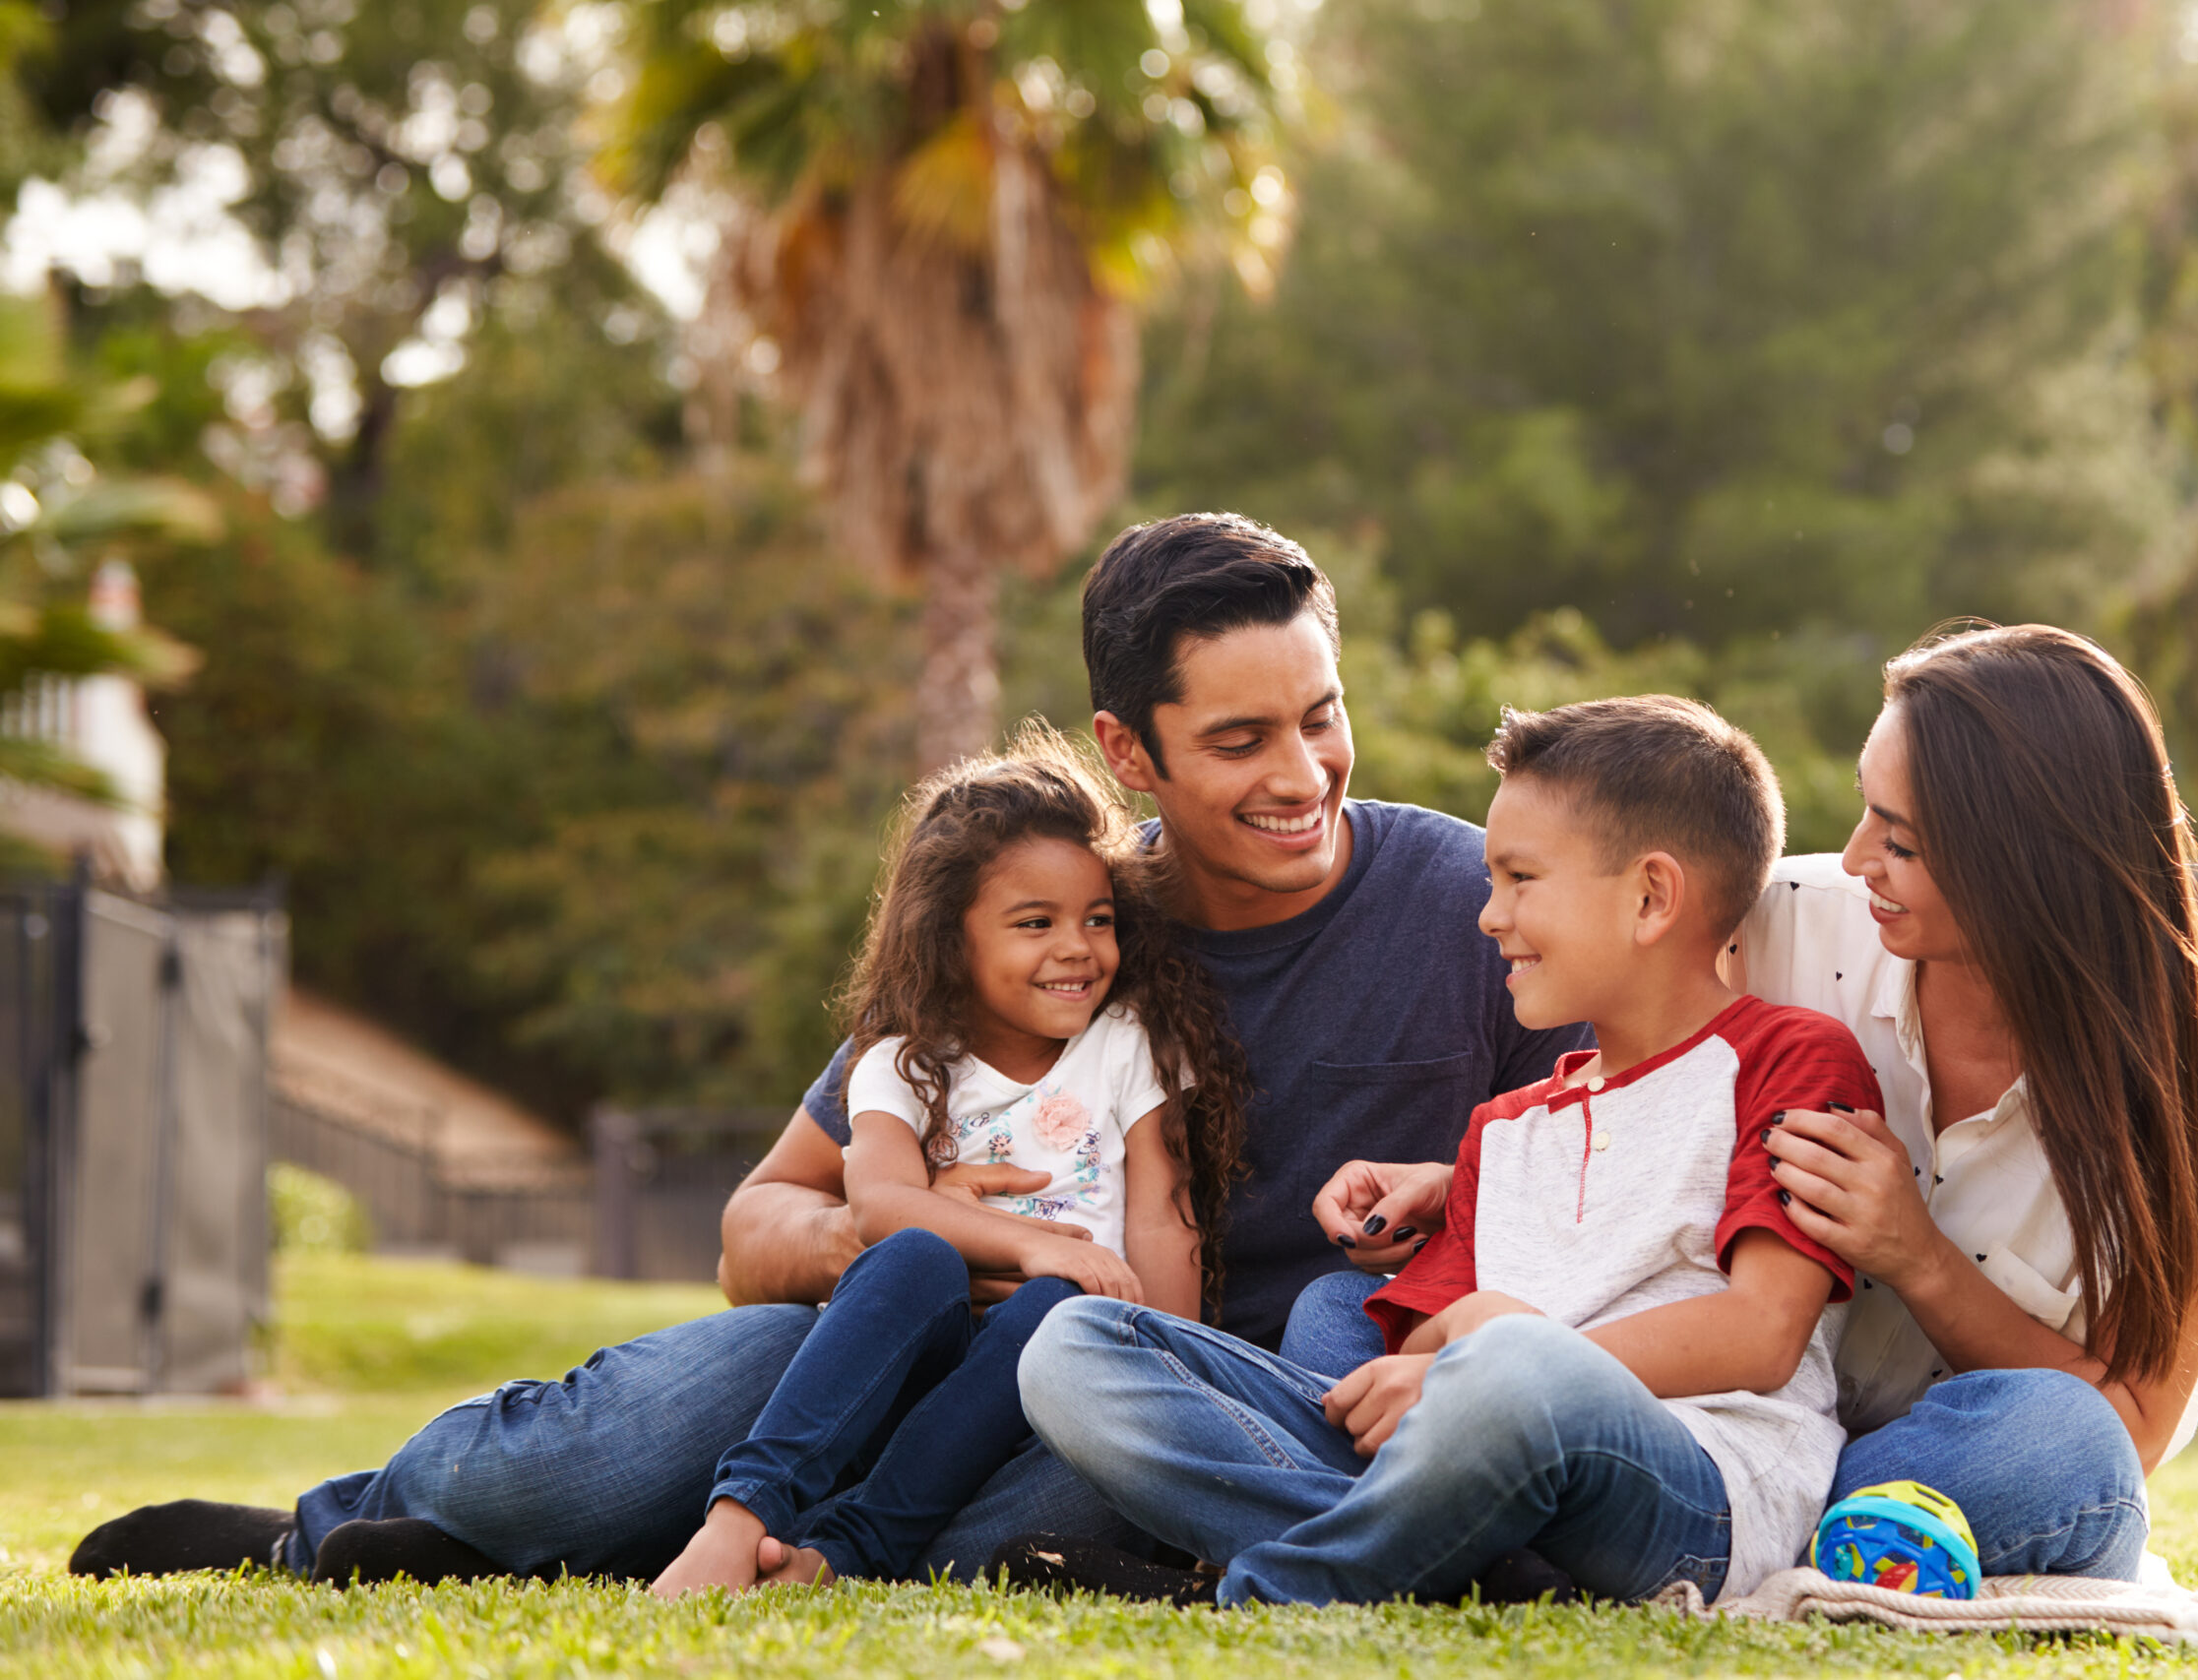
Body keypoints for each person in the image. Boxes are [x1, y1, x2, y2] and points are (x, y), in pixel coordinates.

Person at [71, 513, 1586, 1586]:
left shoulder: (1472, 903)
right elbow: (756, 1227)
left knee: (1029, 1510)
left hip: (1182, 1406)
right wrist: (969, 1243)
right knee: (615, 1436)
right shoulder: (1053, 919)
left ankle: (594, 1556)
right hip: (923, 1328)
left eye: (1323, 717)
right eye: (1241, 739)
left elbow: (1601, 1170)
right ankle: (353, 1521)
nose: (1305, 773)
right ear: (1132, 753)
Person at [1303, 624, 2198, 1584]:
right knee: (1346, 1317)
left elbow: (2133, 1427)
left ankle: (1582, 1526)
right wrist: (1475, 1185)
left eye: (1901, 841)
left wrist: (1918, 1259)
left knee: (2061, 1446)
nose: (1858, 856)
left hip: (1902, 1470)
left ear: (2024, 865)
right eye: (1868, 812)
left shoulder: (2184, 1099)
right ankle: (1588, 1518)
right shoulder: (1786, 919)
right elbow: (1630, 1091)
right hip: (1686, 1412)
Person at [1005, 695, 1885, 1607]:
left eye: (1519, 879)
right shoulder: (1503, 1127)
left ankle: (1269, 1587)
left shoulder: (1789, 1056)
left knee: (1517, 1366)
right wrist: (1454, 1348)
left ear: (1651, 896)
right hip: (1472, 1449)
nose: (1488, 915)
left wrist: (1499, 1336)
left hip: (1695, 1481)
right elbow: (1418, 1344)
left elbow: (1762, 1332)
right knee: (1075, 1347)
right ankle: (1466, 1570)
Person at [649, 729, 1248, 1597]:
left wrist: (1167, 1356)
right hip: (912, 1342)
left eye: (1098, 918)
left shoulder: (1129, 1044)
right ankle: (738, 1519)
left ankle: (841, 1555)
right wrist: (1031, 1242)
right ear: (951, 938)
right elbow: (885, 1202)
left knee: (1059, 1307)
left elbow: (1163, 1207)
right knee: (917, 1255)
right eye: (1035, 923)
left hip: (1040, 1375)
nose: (1077, 946)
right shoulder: (900, 1061)